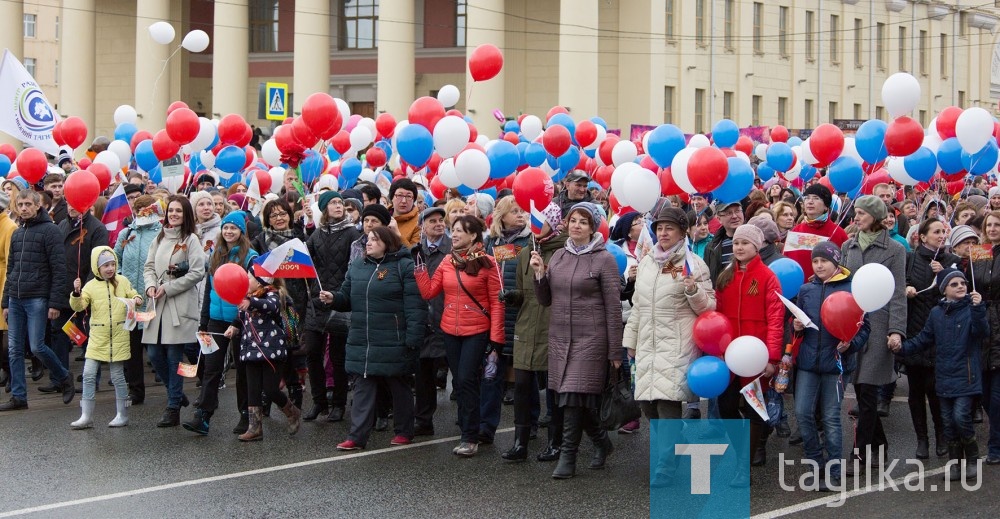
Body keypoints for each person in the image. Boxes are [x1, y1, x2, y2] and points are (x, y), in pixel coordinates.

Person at [529, 202, 623, 479]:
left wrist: (615, 350)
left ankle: (568, 456)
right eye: (573, 220)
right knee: (574, 399)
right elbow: (546, 300)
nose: (576, 225)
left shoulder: (604, 259)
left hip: (591, 339)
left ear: (593, 227)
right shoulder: (558, 255)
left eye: (583, 221)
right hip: (560, 338)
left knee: (571, 398)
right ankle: (601, 442)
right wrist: (538, 274)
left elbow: (613, 306)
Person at [623, 206, 715, 487]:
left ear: (682, 232)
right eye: (659, 228)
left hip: (677, 344)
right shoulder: (649, 262)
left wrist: (693, 290)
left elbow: (709, 307)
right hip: (648, 343)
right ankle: (676, 443)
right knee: (647, 404)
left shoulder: (694, 264)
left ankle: (666, 464)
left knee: (666, 404)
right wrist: (630, 341)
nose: (663, 234)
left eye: (669, 229)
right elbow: (638, 306)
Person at [328, 226, 426, 450]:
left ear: (387, 242)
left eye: (374, 239)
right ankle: (357, 436)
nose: (368, 243)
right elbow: (346, 298)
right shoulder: (357, 266)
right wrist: (333, 298)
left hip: (394, 339)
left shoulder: (404, 266)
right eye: (367, 240)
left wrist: (413, 338)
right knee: (362, 387)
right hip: (363, 339)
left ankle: (404, 430)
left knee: (399, 385)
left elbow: (415, 307)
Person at [415, 215, 504, 457]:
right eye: (452, 230)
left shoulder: (487, 263)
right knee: (461, 383)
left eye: (459, 231)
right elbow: (429, 292)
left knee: (466, 379)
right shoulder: (447, 261)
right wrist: (420, 269)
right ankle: (468, 428)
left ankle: (470, 436)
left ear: (473, 235)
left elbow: (497, 304)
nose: (453, 235)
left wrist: (496, 338)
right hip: (450, 330)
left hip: (477, 330)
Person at [894, 268, 988, 481]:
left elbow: (982, 332)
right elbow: (924, 339)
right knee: (947, 421)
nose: (961, 287)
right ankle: (955, 463)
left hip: (966, 375)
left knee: (961, 417)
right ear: (944, 289)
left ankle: (972, 458)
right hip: (944, 376)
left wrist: (979, 308)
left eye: (963, 283)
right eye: (954, 284)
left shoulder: (972, 309)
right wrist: (901, 349)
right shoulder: (936, 313)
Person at [791, 242, 870, 491]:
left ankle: (834, 471)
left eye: (824, 260)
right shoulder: (806, 289)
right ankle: (815, 464)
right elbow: (797, 321)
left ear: (836, 263)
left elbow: (864, 327)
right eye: (815, 261)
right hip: (808, 362)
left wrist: (852, 344)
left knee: (831, 418)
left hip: (836, 364)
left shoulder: (852, 288)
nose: (819, 265)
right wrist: (796, 327)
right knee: (803, 413)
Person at [841, 195, 907, 474]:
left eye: (862, 213)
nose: (856, 217)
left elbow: (897, 293)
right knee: (862, 390)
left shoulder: (894, 249)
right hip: (852, 327)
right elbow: (842, 284)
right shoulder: (848, 245)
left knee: (867, 393)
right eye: (855, 212)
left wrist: (896, 330)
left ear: (876, 216)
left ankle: (859, 454)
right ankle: (880, 445)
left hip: (879, 329)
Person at [714, 224, 784, 484]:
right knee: (727, 406)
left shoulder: (768, 278)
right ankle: (742, 450)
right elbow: (718, 317)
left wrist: (772, 357)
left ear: (757, 247)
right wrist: (718, 349)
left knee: (755, 410)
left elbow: (776, 319)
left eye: (745, 243)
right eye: (736, 243)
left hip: (757, 357)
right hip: (730, 356)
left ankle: (743, 465)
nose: (739, 248)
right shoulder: (725, 276)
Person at [499, 202, 567, 462]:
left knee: (553, 389)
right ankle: (520, 443)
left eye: (541, 220)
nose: (534, 225)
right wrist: (511, 296)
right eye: (533, 219)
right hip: (526, 326)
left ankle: (555, 442)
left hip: (553, 326)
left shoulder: (563, 252)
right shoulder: (526, 251)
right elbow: (523, 291)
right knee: (522, 387)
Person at [184, 212, 259, 435]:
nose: (228, 232)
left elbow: (251, 292)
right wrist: (204, 321)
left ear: (241, 232)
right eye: (226, 228)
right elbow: (209, 290)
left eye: (233, 228)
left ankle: (246, 414)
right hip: (216, 320)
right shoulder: (215, 255)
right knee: (211, 368)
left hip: (241, 321)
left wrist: (238, 321)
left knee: (243, 371)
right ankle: (203, 416)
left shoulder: (250, 257)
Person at [0, 190, 74, 411]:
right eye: (20, 204)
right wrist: (5, 301)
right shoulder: (18, 233)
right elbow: (11, 269)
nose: (23, 208)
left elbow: (59, 270)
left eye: (27, 204)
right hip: (16, 298)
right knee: (14, 350)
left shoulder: (50, 230)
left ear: (37, 206)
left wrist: (55, 303)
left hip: (38, 298)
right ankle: (19, 396)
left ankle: (63, 376)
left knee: (37, 346)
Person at [142, 195, 207, 427]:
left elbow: (198, 271)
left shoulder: (191, 240)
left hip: (178, 306)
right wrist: (150, 285)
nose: (174, 214)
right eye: (171, 210)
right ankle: (176, 395)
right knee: (153, 354)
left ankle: (172, 408)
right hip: (157, 305)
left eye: (179, 211)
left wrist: (168, 288)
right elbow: (149, 266)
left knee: (173, 357)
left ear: (186, 213)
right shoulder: (159, 238)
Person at [902, 217, 960, 459]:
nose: (941, 235)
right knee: (916, 389)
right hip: (916, 329)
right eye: (936, 232)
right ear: (922, 237)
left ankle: (941, 435)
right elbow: (900, 284)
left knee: (936, 389)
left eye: (943, 231)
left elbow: (960, 292)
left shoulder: (952, 260)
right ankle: (921, 439)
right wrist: (907, 288)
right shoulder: (910, 258)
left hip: (941, 331)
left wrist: (944, 274)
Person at [303, 190, 360, 423]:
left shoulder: (352, 233)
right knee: (312, 353)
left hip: (340, 301)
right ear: (324, 208)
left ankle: (338, 404)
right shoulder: (317, 234)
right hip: (316, 301)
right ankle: (319, 401)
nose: (339, 206)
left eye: (341, 203)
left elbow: (354, 266)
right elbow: (307, 260)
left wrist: (339, 294)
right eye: (333, 203)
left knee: (337, 357)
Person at [250, 199, 309, 425]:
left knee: (293, 353)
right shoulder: (259, 241)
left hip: (295, 303)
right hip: (269, 303)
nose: (279, 218)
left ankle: (296, 400)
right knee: (270, 354)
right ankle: (266, 402)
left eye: (283, 213)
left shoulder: (299, 238)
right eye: (273, 215)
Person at [68, 248, 142, 428]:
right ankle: (86, 415)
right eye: (105, 265)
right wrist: (76, 293)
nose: (110, 268)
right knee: (88, 374)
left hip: (119, 336)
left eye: (112, 264)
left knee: (118, 376)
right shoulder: (90, 286)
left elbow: (133, 293)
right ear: (96, 267)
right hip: (97, 338)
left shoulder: (122, 281)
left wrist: (137, 298)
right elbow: (79, 306)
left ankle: (123, 413)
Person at [224, 271, 301, 441]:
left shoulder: (274, 295)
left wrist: (250, 302)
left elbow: (269, 306)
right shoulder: (247, 297)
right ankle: (255, 428)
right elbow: (241, 317)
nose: (246, 280)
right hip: (251, 350)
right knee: (252, 389)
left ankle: (292, 411)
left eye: (249, 278)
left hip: (271, 351)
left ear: (260, 282)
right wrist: (234, 327)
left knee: (271, 389)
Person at [482, 196, 531, 444]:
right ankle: (485, 426)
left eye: (523, 211)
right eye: (514, 211)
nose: (520, 215)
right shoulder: (491, 242)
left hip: (521, 314)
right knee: (491, 374)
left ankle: (528, 425)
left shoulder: (530, 241)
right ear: (501, 215)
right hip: (495, 316)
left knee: (524, 378)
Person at [46, 202, 108, 392]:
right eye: (69, 203)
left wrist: (87, 290)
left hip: (85, 293)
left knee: (87, 336)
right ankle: (60, 379)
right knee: (59, 334)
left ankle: (92, 380)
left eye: (76, 203)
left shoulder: (97, 228)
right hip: (64, 291)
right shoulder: (62, 225)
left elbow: (98, 261)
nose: (72, 207)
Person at [409, 206, 451, 436]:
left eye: (440, 220)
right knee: (423, 377)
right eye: (432, 221)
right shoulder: (415, 252)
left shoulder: (453, 250)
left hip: (448, 320)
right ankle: (423, 420)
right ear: (422, 227)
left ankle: (470, 421)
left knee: (463, 376)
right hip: (423, 322)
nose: (438, 224)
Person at [785, 184, 849, 279]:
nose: (810, 202)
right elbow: (786, 261)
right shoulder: (796, 231)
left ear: (826, 207)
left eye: (816, 198)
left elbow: (845, 266)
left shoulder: (838, 233)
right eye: (807, 198)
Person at [704, 201, 745, 284]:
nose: (734, 216)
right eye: (728, 213)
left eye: (737, 211)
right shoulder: (711, 248)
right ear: (719, 219)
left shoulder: (756, 241)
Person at [388, 178, 422, 247]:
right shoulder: (381, 215)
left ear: (414, 200)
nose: (404, 201)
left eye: (408, 196)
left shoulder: (419, 222)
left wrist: (398, 235)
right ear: (392, 197)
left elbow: (414, 253)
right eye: (400, 196)